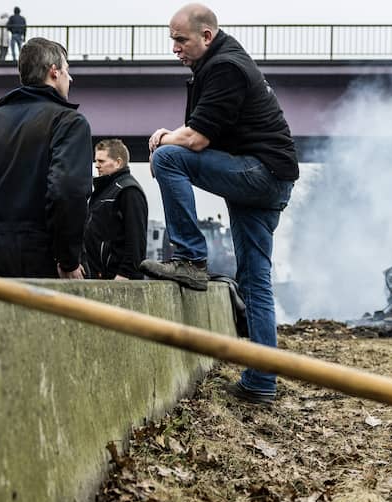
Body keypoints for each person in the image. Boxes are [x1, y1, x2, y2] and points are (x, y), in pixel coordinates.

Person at [142, 3, 299, 405]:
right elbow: (201, 130)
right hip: (267, 178)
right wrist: (175, 134)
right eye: (172, 40)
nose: (174, 48)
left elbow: (194, 141)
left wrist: (162, 136)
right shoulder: (217, 66)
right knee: (254, 279)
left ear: (206, 36)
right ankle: (262, 380)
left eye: (181, 40)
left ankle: (191, 259)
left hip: (259, 174)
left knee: (167, 158)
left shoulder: (225, 68)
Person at [0, 37, 90, 278]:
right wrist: (67, 260)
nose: (70, 77)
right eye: (67, 70)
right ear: (54, 72)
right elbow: (67, 191)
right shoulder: (68, 122)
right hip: (44, 260)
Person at [82, 138, 147, 280]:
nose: (97, 166)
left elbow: (135, 238)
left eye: (101, 161)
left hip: (115, 278)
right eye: (96, 161)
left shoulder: (128, 191)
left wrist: (125, 274)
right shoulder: (103, 191)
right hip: (99, 276)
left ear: (118, 162)